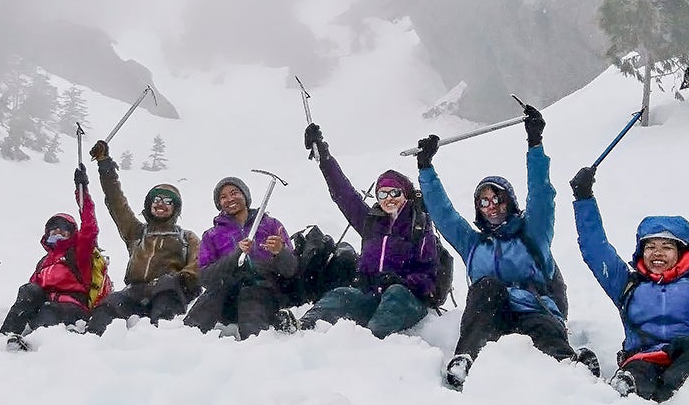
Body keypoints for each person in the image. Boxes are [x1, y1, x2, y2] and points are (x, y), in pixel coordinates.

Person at [416, 104, 593, 390]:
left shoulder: (532, 233)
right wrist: (425, 168)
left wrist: (534, 143)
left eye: (498, 198)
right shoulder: (473, 243)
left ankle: (572, 367)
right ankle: (464, 358)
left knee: (544, 327)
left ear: (509, 201)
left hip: (533, 311)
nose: (492, 206)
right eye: (484, 201)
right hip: (493, 322)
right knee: (486, 287)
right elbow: (443, 214)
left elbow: (541, 194)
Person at [569, 163, 689, 401]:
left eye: (667, 247)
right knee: (638, 373)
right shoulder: (629, 284)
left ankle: (668, 394)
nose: (658, 253)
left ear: (681, 251)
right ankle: (627, 387)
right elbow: (596, 250)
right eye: (651, 247)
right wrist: (584, 199)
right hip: (644, 359)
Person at [298, 122, 438, 337]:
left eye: (395, 193)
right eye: (382, 194)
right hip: (371, 296)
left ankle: (370, 342)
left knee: (395, 294)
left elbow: (429, 276)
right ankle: (302, 327)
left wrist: (402, 282)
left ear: (406, 195)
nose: (389, 199)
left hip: (407, 300)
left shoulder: (419, 226)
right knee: (341, 294)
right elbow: (343, 193)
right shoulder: (371, 223)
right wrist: (324, 157)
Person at [88, 138, 199, 325]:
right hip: (135, 291)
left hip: (169, 290)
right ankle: (91, 341)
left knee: (165, 302)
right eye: (156, 200)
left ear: (176, 208)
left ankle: (159, 341)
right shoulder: (137, 232)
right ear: (149, 205)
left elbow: (197, 264)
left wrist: (182, 279)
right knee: (107, 306)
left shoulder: (186, 237)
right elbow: (117, 203)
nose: (161, 204)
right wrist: (105, 165)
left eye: (168, 201)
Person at [0, 164, 112, 344]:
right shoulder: (45, 261)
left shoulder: (79, 253)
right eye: (53, 228)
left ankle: (40, 345)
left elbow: (89, 226)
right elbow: (32, 290)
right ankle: (5, 335)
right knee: (29, 290)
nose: (58, 231)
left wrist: (82, 191)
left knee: (48, 310)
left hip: (72, 308)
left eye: (64, 229)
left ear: (72, 234)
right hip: (45, 307)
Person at [184, 176, 297, 340]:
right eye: (223, 197)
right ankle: (185, 339)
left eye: (234, 192)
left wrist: (281, 252)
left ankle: (255, 347)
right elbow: (205, 278)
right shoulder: (211, 235)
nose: (229, 199)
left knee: (252, 295)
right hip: (227, 299)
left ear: (245, 196)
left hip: (264, 294)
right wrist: (234, 255)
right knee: (216, 291)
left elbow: (291, 269)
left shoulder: (271, 225)